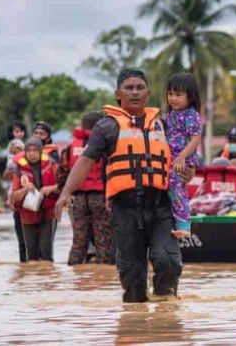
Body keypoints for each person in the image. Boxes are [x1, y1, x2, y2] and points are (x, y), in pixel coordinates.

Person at [56, 69, 191, 303]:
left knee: (167, 260)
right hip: (124, 209)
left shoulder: (165, 125)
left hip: (161, 207)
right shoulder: (106, 127)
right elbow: (86, 161)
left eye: (140, 88)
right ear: (118, 94)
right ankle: (136, 323)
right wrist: (65, 192)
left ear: (148, 94)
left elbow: (183, 165)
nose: (135, 92)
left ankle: (165, 313)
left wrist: (188, 173)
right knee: (133, 277)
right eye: (129, 88)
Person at [57, 111, 114, 265]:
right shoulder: (107, 145)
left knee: (79, 240)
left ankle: (75, 270)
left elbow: (62, 174)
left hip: (78, 199)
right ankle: (104, 274)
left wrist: (65, 194)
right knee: (103, 240)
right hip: (101, 197)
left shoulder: (69, 149)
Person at [165, 73, 202, 239]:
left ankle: (184, 225)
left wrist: (181, 157)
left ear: (190, 96)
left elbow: (195, 139)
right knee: (169, 187)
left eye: (178, 95)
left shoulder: (191, 115)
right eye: (170, 94)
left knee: (176, 187)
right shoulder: (170, 115)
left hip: (182, 159)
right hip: (171, 158)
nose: (173, 98)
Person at [11, 138, 60, 261]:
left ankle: (47, 276)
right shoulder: (19, 169)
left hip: (48, 213)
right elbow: (14, 196)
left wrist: (50, 188)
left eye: (35, 150)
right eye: (29, 151)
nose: (32, 153)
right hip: (28, 215)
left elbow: (63, 186)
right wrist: (25, 189)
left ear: (40, 152)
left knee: (46, 250)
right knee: (31, 252)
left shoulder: (51, 164)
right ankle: (33, 278)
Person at [3, 138, 26, 262]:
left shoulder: (28, 159)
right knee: (22, 239)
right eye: (11, 150)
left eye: (15, 149)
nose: (13, 152)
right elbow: (6, 175)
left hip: (29, 200)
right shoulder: (12, 161)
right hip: (17, 200)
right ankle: (24, 265)